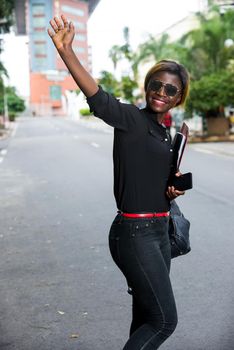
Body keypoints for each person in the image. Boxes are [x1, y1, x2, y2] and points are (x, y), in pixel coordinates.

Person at [48, 15, 190, 350]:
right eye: (155, 84)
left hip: (159, 231)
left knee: (145, 317)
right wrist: (67, 52)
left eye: (170, 89)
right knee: (164, 321)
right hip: (135, 233)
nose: (161, 92)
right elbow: (97, 96)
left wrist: (173, 188)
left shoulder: (165, 132)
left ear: (178, 97)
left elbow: (156, 179)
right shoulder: (130, 119)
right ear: (147, 85)